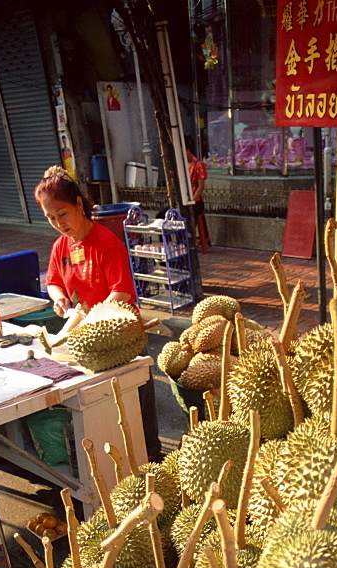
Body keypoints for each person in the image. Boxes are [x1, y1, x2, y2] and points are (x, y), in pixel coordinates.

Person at [34, 165, 162, 461]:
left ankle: (152, 458)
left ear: (79, 205)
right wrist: (60, 299)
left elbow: (122, 292)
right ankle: (117, 462)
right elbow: (53, 281)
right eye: (51, 218)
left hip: (122, 337)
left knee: (137, 405)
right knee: (105, 409)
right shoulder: (60, 247)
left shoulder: (106, 243)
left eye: (62, 214)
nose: (58, 224)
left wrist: (91, 317)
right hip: (89, 340)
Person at [184, 135, 208, 245]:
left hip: (196, 201)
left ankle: (189, 242)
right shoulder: (182, 165)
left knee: (188, 216)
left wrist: (192, 201)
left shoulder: (199, 165)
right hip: (184, 199)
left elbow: (200, 187)